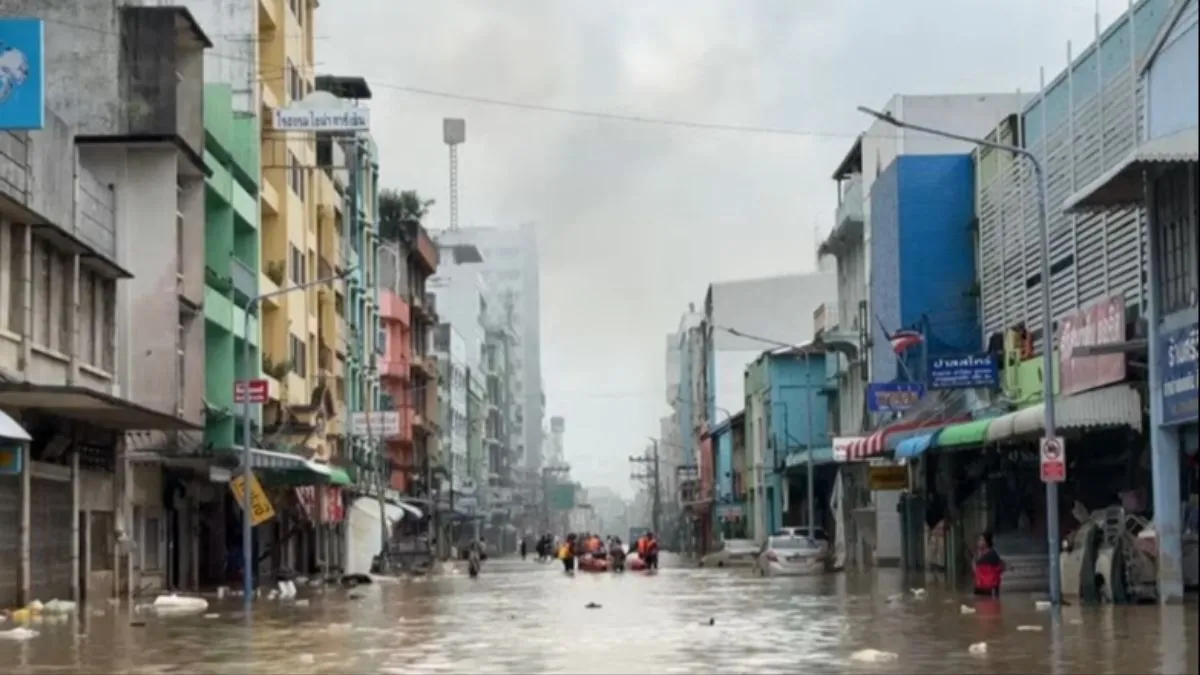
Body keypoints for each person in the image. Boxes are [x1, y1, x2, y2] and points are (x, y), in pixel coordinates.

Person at [972, 531, 1006, 597]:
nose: (979, 542)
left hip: (989, 589)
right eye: (979, 540)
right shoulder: (979, 554)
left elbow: (1001, 566)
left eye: (981, 540)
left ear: (987, 542)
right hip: (981, 587)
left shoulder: (991, 554)